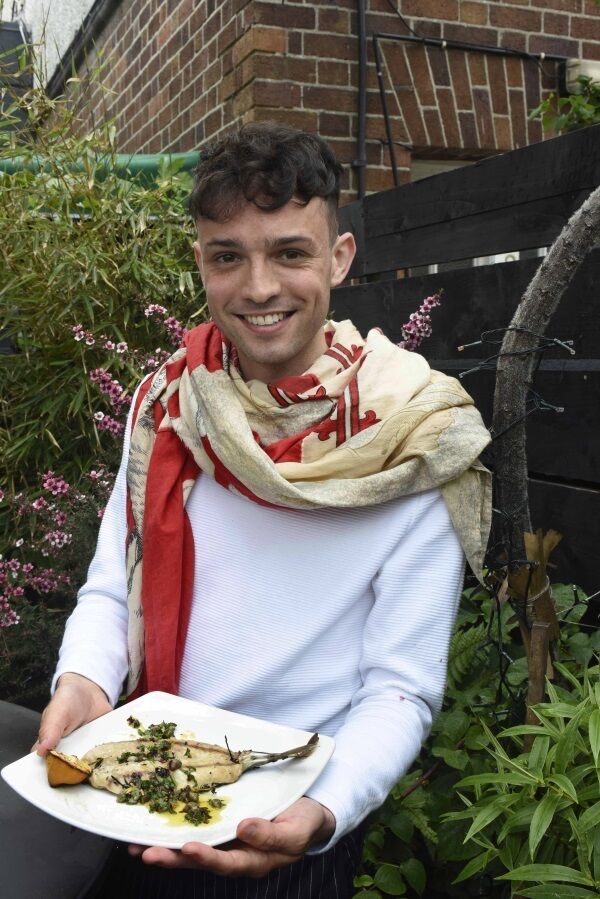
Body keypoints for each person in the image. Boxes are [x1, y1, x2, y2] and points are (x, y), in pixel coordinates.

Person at [36, 122, 491, 897]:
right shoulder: (168, 403)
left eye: (289, 252)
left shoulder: (413, 435)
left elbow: (400, 685)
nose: (258, 287)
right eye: (228, 257)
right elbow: (114, 587)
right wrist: (82, 679)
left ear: (338, 257)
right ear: (201, 264)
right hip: (142, 784)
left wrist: (321, 809)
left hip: (290, 828)